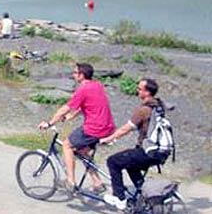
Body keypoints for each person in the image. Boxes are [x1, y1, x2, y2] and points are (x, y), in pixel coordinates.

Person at [39, 63, 115, 193]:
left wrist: (49, 123)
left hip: (94, 128)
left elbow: (65, 108)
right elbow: (85, 104)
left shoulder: (82, 90)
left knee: (67, 145)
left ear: (82, 75)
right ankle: (97, 183)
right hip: (107, 127)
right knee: (82, 151)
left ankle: (70, 181)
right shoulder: (97, 85)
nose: (73, 75)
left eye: (75, 72)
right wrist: (72, 116)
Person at [100, 79, 169, 210]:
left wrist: (108, 138)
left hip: (148, 151)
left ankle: (119, 198)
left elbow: (126, 128)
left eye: (140, 89)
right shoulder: (159, 106)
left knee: (113, 161)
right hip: (160, 152)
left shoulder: (144, 110)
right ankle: (147, 195)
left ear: (147, 92)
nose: (137, 91)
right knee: (131, 165)